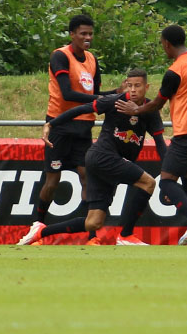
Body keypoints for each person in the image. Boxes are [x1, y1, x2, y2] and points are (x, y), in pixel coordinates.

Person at [18, 69, 167, 246]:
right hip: (102, 156)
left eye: (138, 86)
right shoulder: (115, 101)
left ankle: (41, 231)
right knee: (148, 183)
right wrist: (51, 124)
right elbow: (82, 109)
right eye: (129, 85)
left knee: (93, 222)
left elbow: (160, 144)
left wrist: (167, 177)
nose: (133, 90)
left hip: (101, 164)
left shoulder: (149, 110)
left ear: (147, 87)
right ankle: (126, 235)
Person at [115, 24, 187, 245]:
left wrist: (135, 110)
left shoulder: (174, 71)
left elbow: (157, 103)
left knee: (167, 182)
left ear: (167, 44)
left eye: (162, 44)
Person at [31, 14, 119, 230]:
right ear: (72, 34)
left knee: (87, 177)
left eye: (90, 34)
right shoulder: (60, 56)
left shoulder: (91, 59)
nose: (87, 37)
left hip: (83, 128)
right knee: (52, 181)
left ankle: (89, 233)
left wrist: (117, 93)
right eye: (83, 34)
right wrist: (103, 99)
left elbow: (94, 95)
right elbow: (68, 94)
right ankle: (37, 225)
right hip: (60, 126)